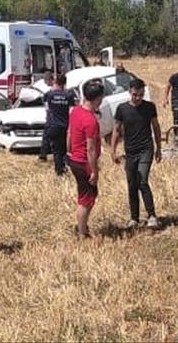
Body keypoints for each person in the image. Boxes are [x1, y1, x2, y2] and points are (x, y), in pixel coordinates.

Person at [111, 78, 162, 229]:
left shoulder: (149, 107)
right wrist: (113, 151)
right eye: (135, 95)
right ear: (129, 92)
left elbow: (156, 127)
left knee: (142, 181)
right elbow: (116, 130)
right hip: (130, 151)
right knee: (132, 184)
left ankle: (152, 216)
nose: (138, 98)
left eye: (141, 94)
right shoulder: (122, 109)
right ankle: (134, 218)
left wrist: (159, 148)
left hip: (146, 149)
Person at [66, 81, 105, 239]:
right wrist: (94, 171)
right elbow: (91, 148)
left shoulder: (75, 111)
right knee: (86, 199)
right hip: (84, 163)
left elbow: (69, 133)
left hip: (75, 159)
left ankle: (82, 225)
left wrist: (69, 151)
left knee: (89, 195)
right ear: (98, 99)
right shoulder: (91, 121)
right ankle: (82, 232)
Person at [43, 73, 76, 176]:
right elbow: (71, 112)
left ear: (55, 81)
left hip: (53, 125)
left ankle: (59, 172)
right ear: (65, 83)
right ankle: (66, 167)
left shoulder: (48, 95)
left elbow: (47, 110)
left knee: (56, 151)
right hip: (65, 126)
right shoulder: (69, 95)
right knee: (65, 149)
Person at [38, 72, 55, 162]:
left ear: (49, 79)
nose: (45, 83)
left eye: (45, 81)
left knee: (46, 136)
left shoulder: (49, 93)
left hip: (51, 118)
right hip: (56, 118)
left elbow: (47, 108)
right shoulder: (51, 90)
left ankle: (43, 155)